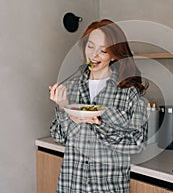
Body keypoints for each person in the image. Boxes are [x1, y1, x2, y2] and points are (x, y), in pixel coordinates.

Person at [49, 19, 148, 192]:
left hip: (107, 187)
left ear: (114, 55)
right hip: (71, 185)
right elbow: (59, 136)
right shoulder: (71, 87)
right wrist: (62, 107)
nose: (94, 55)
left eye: (103, 50)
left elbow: (137, 143)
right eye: (90, 46)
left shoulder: (129, 92)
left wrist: (100, 125)